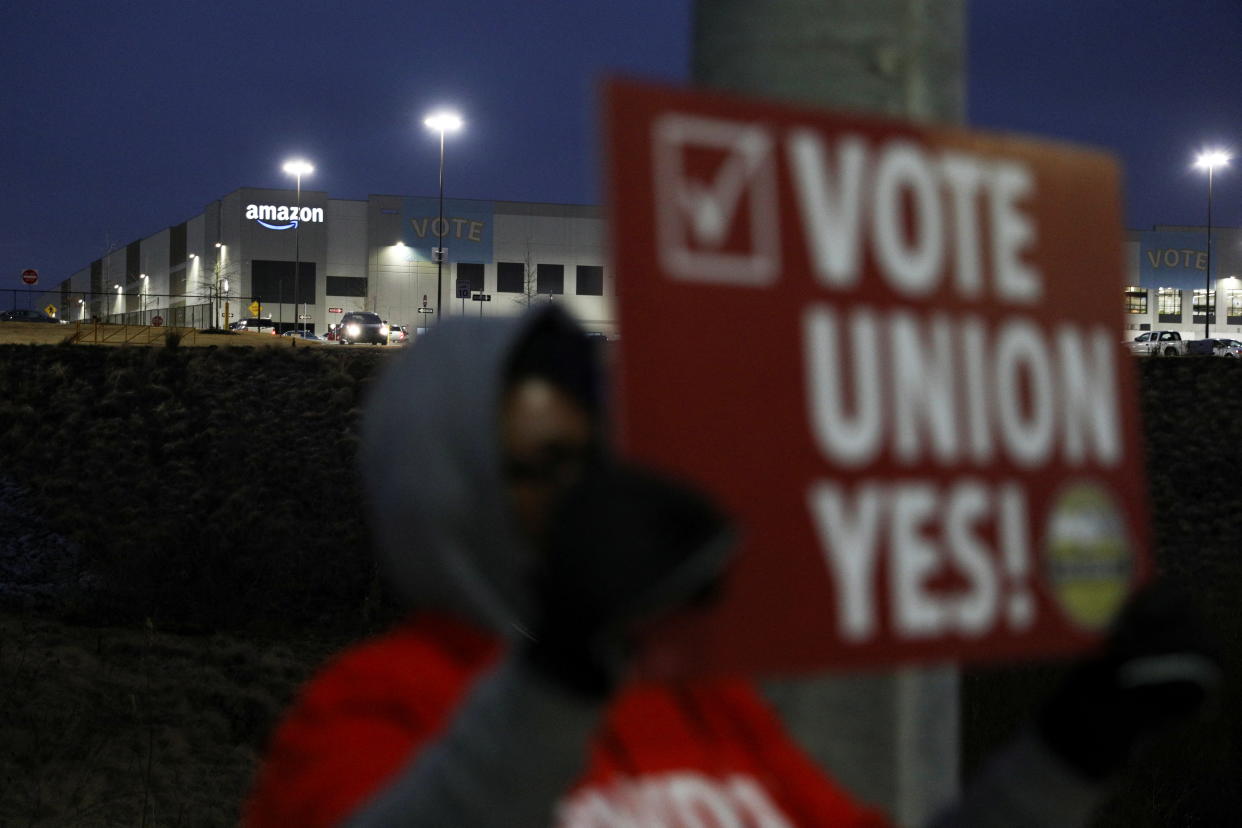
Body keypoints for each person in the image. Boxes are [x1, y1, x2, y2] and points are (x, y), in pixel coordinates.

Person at [244, 305, 1217, 827]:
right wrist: (560, 671)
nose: (575, 498)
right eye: (533, 469)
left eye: (588, 460)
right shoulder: (374, 706)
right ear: (442, 492)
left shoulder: (698, 701)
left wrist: (1073, 751)